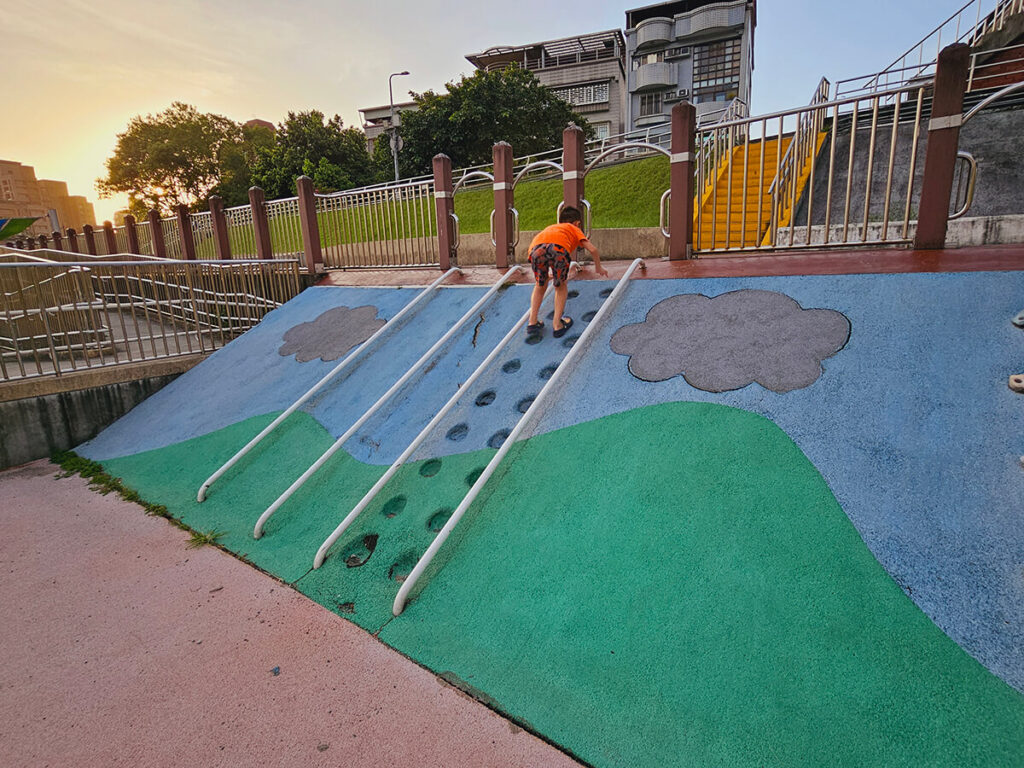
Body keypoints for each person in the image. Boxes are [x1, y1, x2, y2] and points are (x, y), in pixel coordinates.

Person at [526, 206, 608, 338]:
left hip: (535, 250)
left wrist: (546, 269)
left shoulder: (552, 227)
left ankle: (532, 322)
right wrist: (599, 267)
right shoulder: (574, 228)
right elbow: (593, 250)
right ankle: (557, 324)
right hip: (558, 250)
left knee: (540, 285)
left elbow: (544, 247)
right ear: (577, 223)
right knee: (560, 286)